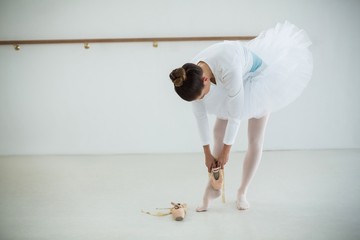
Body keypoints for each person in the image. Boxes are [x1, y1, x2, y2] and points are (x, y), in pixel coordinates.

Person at [169, 21, 313, 211]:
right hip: (229, 80)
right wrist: (207, 153)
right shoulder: (191, 73)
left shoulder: (228, 68)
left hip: (257, 78)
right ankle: (214, 187)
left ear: (205, 80)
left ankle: (242, 191)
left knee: (255, 138)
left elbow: (236, 116)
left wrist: (226, 152)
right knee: (218, 130)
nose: (202, 99)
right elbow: (200, 116)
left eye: (203, 95)